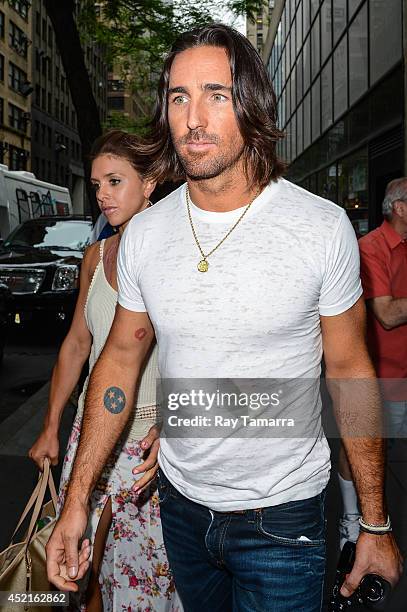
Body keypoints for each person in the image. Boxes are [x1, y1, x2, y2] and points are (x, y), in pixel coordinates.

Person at [45, 25, 403, 611]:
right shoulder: (147, 236)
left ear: (254, 104)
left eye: (217, 93)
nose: (193, 117)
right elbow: (118, 360)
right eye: (179, 97)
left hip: (284, 518)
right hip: (180, 509)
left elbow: (351, 372)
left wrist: (374, 521)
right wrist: (78, 497)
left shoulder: (319, 227)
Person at [29, 130, 180, 611]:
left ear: (151, 181)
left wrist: (176, 424)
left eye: (115, 181)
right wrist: (52, 425)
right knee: (81, 571)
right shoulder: (94, 257)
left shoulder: (175, 256)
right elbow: (76, 345)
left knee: (145, 582)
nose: (102, 195)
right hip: (94, 432)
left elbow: (202, 350)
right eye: (96, 184)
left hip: (150, 443)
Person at [338, 178, 407, 549]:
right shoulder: (370, 248)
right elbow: (388, 314)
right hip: (383, 375)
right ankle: (352, 519)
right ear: (400, 208)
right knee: (364, 450)